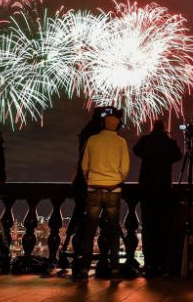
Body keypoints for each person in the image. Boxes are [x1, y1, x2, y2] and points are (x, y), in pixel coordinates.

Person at [76, 109, 130, 282]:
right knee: (114, 231)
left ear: (103, 124)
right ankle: (115, 271)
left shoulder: (92, 140)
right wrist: (117, 180)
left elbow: (84, 165)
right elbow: (125, 168)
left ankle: (84, 270)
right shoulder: (121, 142)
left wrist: (90, 180)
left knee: (89, 231)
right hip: (113, 190)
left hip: (93, 189)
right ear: (118, 126)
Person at [133, 119, 182, 276]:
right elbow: (178, 156)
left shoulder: (145, 141)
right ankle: (162, 264)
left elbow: (136, 151)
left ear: (153, 128)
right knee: (163, 228)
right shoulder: (170, 143)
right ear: (164, 129)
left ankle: (149, 263)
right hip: (164, 190)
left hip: (146, 189)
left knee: (148, 227)